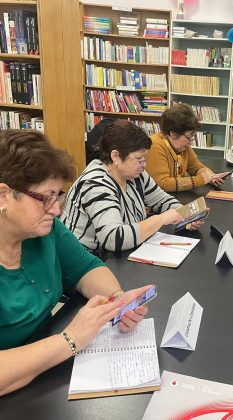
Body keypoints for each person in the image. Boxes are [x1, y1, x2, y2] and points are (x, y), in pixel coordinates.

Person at [0, 130, 152, 396]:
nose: (56, 209)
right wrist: (71, 339)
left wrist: (116, 300)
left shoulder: (44, 229)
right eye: (45, 198)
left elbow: (85, 268)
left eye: (57, 196)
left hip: (42, 370)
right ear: (3, 196)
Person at [61, 119, 197, 253]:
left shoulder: (134, 174)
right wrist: (161, 219)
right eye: (139, 159)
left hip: (119, 256)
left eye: (144, 159)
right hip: (85, 259)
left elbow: (162, 199)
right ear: (115, 156)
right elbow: (113, 239)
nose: (144, 165)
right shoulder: (96, 184)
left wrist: (184, 216)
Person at [146, 103, 231, 192]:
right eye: (189, 136)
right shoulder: (154, 145)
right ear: (173, 133)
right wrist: (201, 179)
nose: (191, 141)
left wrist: (211, 176)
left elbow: (196, 167)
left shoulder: (183, 145)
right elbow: (163, 184)